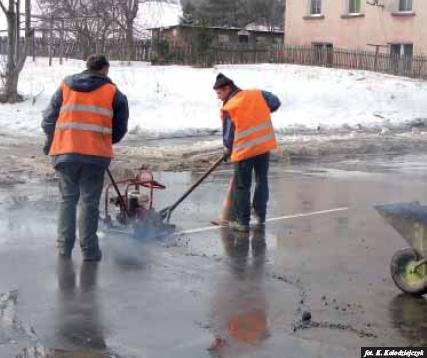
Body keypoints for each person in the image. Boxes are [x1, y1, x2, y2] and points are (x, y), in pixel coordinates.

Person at [42, 55, 129, 261]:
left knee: (67, 201)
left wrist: (54, 141)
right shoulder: (114, 92)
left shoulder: (65, 86)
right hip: (95, 156)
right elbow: (119, 128)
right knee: (89, 203)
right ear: (105, 69)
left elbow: (48, 120)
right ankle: (89, 251)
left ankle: (64, 248)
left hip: (65, 153)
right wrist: (104, 140)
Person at [213, 73, 281, 232]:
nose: (218, 97)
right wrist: (260, 111)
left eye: (219, 93)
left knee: (242, 186)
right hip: (263, 147)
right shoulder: (257, 94)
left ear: (227, 88)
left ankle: (242, 222)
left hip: (244, 151)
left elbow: (229, 135)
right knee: (261, 181)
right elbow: (275, 102)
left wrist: (227, 149)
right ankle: (260, 216)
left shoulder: (230, 106)